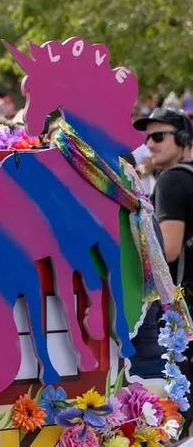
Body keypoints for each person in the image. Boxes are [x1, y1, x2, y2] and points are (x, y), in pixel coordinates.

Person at [133, 107, 193, 430]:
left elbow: (167, 250)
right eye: (147, 138)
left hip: (184, 314)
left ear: (183, 139)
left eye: (158, 137)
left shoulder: (171, 182)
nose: (150, 145)